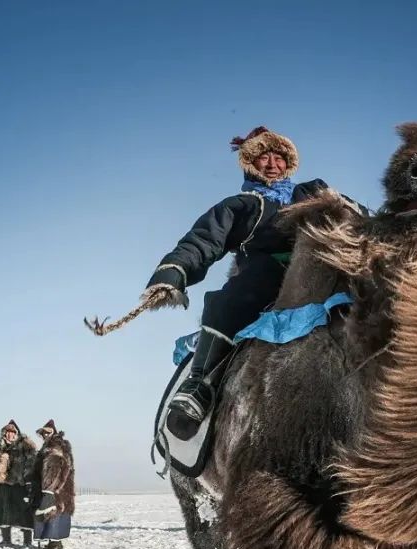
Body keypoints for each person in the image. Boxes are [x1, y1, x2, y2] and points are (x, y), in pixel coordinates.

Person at [140, 127, 333, 439]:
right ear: (250, 164)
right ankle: (199, 385)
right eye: (263, 158)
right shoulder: (240, 205)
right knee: (231, 300)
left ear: (288, 164)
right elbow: (202, 240)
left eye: (279, 157)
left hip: (320, 269)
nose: (272, 164)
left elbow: (356, 218)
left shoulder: (313, 193)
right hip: (264, 273)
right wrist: (173, 274)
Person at [0, 420, 37, 547]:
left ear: (17, 434)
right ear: (4, 434)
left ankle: (27, 542)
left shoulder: (26, 446)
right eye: (8, 432)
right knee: (2, 512)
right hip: (2, 486)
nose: (10, 435)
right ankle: (6, 540)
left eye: (13, 433)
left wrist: (29, 482)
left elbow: (31, 464)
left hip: (20, 485)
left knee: (25, 513)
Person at [29, 420, 75, 549]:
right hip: (58, 488)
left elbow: (53, 470)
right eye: (43, 433)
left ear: (54, 432)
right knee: (53, 513)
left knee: (52, 512)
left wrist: (48, 489)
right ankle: (54, 542)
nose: (45, 435)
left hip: (54, 488)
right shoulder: (52, 446)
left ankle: (54, 543)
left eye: (47, 432)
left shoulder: (54, 447)